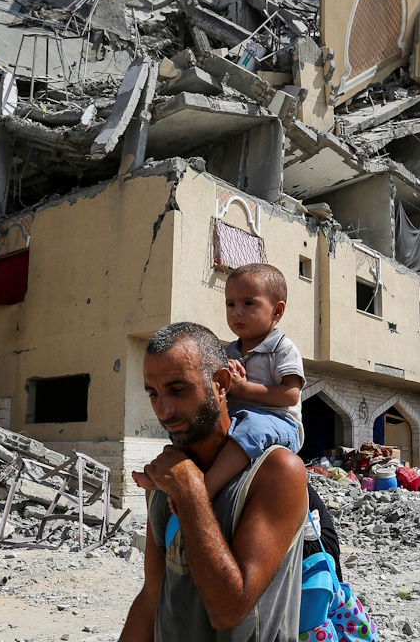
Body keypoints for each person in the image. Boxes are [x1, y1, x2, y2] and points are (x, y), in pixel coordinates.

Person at [121, 322, 308, 641]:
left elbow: (229, 611)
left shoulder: (276, 472)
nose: (163, 411)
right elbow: (152, 598)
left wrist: (191, 491)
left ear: (221, 383)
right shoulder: (166, 477)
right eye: (154, 394)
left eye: (178, 390)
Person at [188, 263, 306, 503]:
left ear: (277, 311)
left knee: (252, 427)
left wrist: (243, 388)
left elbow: (290, 395)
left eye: (248, 303)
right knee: (194, 424)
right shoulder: (227, 351)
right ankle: (169, 474)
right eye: (230, 304)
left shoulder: (282, 349)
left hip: (279, 423)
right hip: (237, 418)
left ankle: (207, 488)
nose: (236, 312)